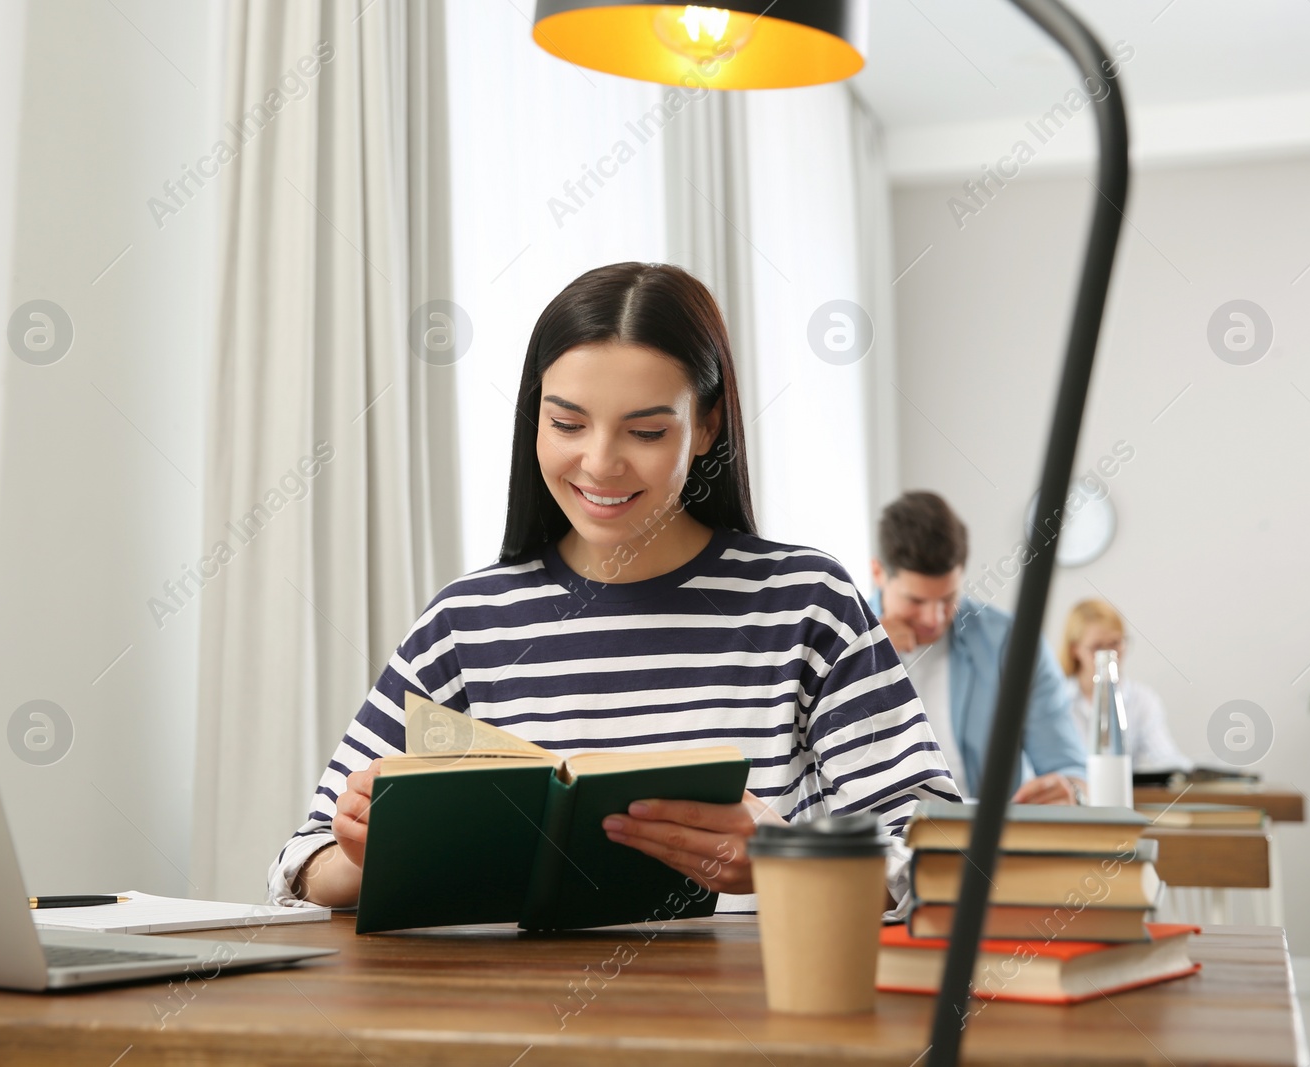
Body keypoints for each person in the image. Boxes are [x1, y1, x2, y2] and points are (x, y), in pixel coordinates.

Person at [267, 262, 959, 917]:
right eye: (567, 423)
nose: (599, 463)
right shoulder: (465, 625)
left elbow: (942, 864)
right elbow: (302, 861)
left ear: (707, 425)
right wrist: (369, 851)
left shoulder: (807, 603)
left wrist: (789, 853)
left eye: (647, 430)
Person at [869, 491, 1089, 804]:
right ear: (878, 573)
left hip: (981, 845)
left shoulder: (1012, 643)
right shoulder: (836, 644)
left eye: (948, 598)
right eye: (915, 601)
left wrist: (1073, 791)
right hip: (869, 842)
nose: (934, 618)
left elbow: (1068, 767)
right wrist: (865, 654)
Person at [1059, 598, 1192, 772]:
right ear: (1074, 649)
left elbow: (1166, 758)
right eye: (1097, 647)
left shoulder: (1142, 699)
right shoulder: (1054, 700)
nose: (1109, 654)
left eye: (1115, 643)